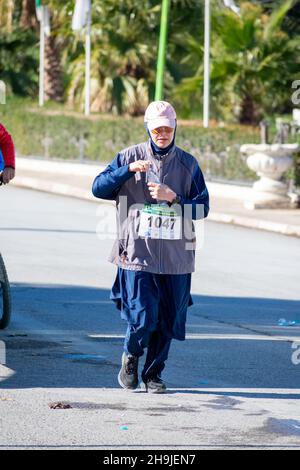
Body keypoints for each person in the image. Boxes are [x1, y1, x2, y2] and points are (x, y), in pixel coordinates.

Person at [92, 101, 209, 393]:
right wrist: (127, 171)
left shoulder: (188, 164)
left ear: (175, 128)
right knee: (143, 316)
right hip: (137, 254)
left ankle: (153, 374)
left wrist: (174, 198)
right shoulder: (129, 156)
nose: (162, 133)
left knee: (168, 320)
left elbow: (202, 209)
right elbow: (98, 187)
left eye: (167, 128)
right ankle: (131, 356)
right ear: (148, 128)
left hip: (175, 258)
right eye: (157, 128)